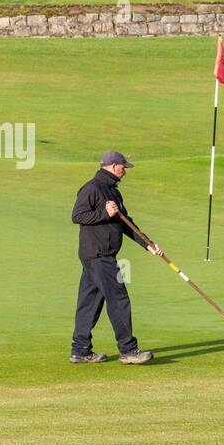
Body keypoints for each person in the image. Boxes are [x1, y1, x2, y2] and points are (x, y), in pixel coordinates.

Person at [69, 150, 159, 364]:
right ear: (112, 166)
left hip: (97, 255)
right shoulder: (92, 188)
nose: (125, 171)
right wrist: (104, 214)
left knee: (90, 302)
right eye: (123, 167)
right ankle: (128, 350)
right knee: (118, 299)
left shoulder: (113, 191)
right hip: (99, 255)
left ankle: (80, 350)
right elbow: (77, 216)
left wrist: (148, 244)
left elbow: (125, 222)